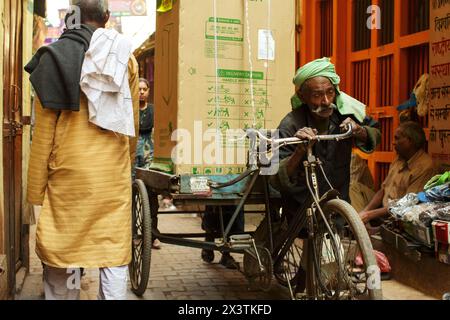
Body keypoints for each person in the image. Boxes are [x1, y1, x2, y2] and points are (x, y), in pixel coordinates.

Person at [25, 0, 139, 300]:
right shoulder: (124, 58)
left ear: (70, 19)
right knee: (112, 255)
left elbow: (43, 135)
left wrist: (35, 192)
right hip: (111, 177)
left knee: (63, 254)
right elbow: (131, 124)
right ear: (107, 17)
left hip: (68, 179)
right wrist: (125, 167)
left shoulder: (52, 59)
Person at [270, 57, 381, 225]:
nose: (326, 101)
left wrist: (358, 130)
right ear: (302, 96)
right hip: (301, 209)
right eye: (317, 95)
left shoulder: (345, 113)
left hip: (338, 202)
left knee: (337, 244)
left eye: (330, 92)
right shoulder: (290, 124)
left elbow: (374, 133)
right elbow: (276, 177)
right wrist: (300, 151)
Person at [359, 121, 435, 224]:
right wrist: (366, 211)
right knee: (354, 187)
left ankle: (368, 226)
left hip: (400, 214)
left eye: (397, 138)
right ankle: (362, 225)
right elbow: (383, 190)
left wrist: (369, 215)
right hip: (383, 208)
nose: (393, 142)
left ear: (410, 141)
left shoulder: (425, 166)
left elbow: (407, 205)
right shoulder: (399, 159)